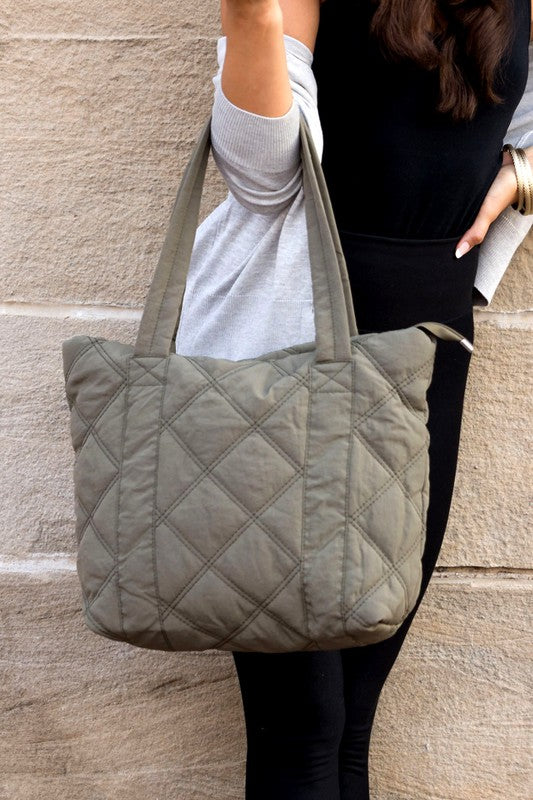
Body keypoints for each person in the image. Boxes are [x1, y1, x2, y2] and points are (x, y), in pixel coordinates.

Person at [174, 1, 533, 797]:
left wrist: (523, 173)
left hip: (428, 347)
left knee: (352, 721)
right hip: (285, 351)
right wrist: (252, 21)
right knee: (299, 729)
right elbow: (261, 174)